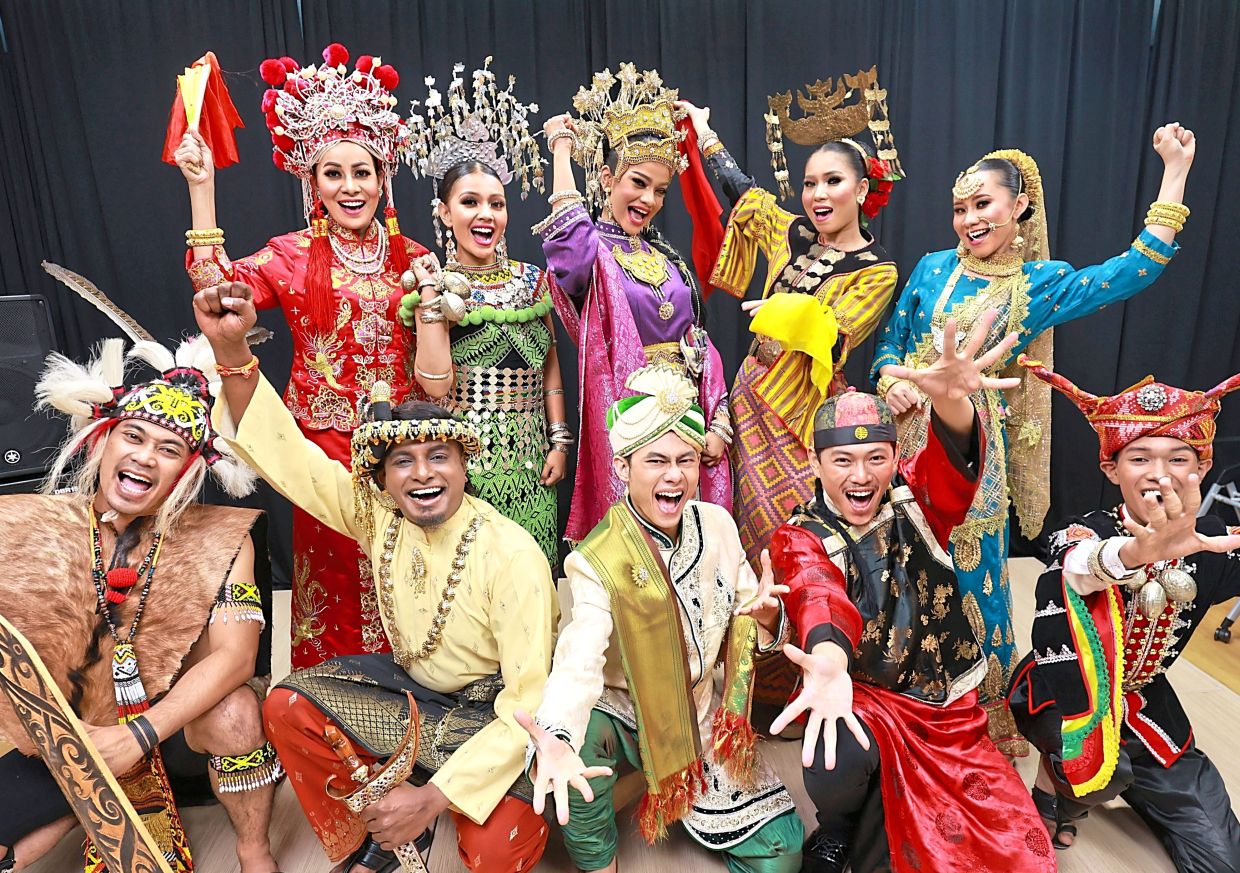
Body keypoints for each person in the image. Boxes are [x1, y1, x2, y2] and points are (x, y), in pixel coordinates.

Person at [193, 280, 558, 873]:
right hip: (414, 696)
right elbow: (293, 460)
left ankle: (424, 798)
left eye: (439, 456)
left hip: (493, 714)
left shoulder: (512, 555)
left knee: (494, 852)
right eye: (402, 462)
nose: (422, 475)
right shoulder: (377, 516)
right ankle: (372, 847)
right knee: (286, 703)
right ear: (382, 479)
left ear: (465, 466)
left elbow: (531, 706)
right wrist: (233, 355)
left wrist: (433, 799)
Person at [871, 123, 1196, 753]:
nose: (969, 219)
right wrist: (890, 380)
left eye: (983, 204)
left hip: (970, 446)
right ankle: (897, 691)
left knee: (975, 579)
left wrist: (1174, 173)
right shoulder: (932, 268)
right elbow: (890, 341)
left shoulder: (1037, 284)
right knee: (895, 569)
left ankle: (986, 710)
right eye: (960, 208)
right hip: (901, 439)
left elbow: (1134, 270)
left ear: (1020, 206)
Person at [174, 43, 430, 668]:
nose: (350, 186)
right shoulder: (289, 256)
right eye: (334, 172)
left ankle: (415, 711)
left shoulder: (416, 258)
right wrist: (202, 190)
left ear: (382, 178)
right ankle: (330, 718)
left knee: (409, 581)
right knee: (336, 587)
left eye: (363, 171)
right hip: (319, 451)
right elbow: (218, 289)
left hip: (404, 446)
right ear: (313, 181)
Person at [770, 311, 1054, 873]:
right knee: (834, 754)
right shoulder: (799, 535)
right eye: (843, 460)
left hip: (939, 701)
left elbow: (951, 465)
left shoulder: (917, 504)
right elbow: (815, 592)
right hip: (862, 695)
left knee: (1009, 847)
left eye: (876, 457)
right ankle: (837, 829)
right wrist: (828, 660)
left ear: (894, 459)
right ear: (815, 462)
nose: (861, 475)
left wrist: (951, 404)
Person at [0, 335, 279, 873]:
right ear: (103, 443)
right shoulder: (32, 525)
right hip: (80, 737)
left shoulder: (222, 538)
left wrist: (140, 735)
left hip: (180, 727)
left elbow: (236, 659)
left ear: (189, 470)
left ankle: (254, 850)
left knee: (237, 712)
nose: (146, 457)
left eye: (170, 449)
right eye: (134, 437)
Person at [680, 68, 904, 729]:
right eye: (809, 183)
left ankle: (805, 684)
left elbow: (835, 331)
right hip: (744, 409)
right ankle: (742, 688)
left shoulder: (877, 270)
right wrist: (706, 133)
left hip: (797, 422)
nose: (817, 194)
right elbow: (744, 194)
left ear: (862, 190)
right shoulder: (794, 238)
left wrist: (781, 311)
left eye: (833, 181)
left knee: (790, 548)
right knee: (738, 549)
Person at [519, 364, 803, 873]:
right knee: (578, 754)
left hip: (701, 715)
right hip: (626, 712)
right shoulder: (595, 558)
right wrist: (557, 735)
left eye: (685, 460)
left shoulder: (716, 524)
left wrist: (764, 619)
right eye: (656, 461)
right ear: (624, 467)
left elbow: (746, 618)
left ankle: (674, 782)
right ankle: (600, 859)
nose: (674, 475)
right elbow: (579, 658)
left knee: (783, 857)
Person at [1008, 356, 1240, 871]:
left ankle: (1120, 781)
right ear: (1111, 469)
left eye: (1179, 459)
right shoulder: (1086, 529)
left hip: (1149, 710)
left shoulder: (1215, 542)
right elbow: (1075, 564)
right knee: (1087, 771)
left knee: (1222, 859)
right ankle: (1060, 784)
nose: (1160, 474)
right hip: (1066, 687)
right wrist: (1139, 553)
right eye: (1139, 458)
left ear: (1202, 467)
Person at [537, 63, 732, 543]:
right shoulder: (593, 255)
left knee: (692, 545)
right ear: (606, 178)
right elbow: (571, 246)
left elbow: (698, 341)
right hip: (632, 420)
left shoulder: (664, 255)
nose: (649, 199)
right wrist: (562, 152)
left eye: (661, 190)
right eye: (637, 183)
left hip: (688, 417)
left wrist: (717, 419)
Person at [397, 59, 567, 564]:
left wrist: (559, 441)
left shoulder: (534, 280)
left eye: (496, 203)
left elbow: (551, 366)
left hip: (534, 462)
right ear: (445, 214)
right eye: (470, 202)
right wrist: (430, 300)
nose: (485, 215)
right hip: (464, 462)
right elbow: (432, 385)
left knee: (534, 583)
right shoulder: (434, 285)